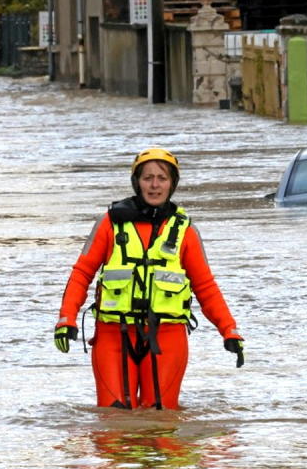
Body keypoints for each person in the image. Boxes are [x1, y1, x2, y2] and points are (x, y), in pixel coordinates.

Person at [54, 148, 245, 410]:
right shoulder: (108, 224)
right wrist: (67, 319)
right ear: (137, 182)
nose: (155, 185)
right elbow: (81, 274)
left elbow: (205, 286)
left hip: (168, 336)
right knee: (113, 422)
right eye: (147, 178)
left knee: (162, 422)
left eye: (162, 178)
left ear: (172, 184)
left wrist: (229, 330)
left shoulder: (185, 231)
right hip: (113, 336)